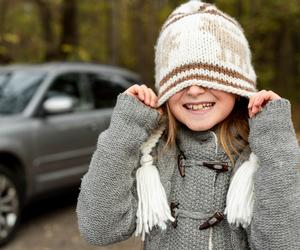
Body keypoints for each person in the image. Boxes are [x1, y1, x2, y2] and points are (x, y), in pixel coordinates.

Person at [76, 1, 300, 249]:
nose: (194, 90)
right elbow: (99, 228)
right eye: (180, 80)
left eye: (209, 77)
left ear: (238, 88)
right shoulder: (152, 153)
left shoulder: (257, 156)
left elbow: (284, 243)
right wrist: (124, 129)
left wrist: (276, 140)